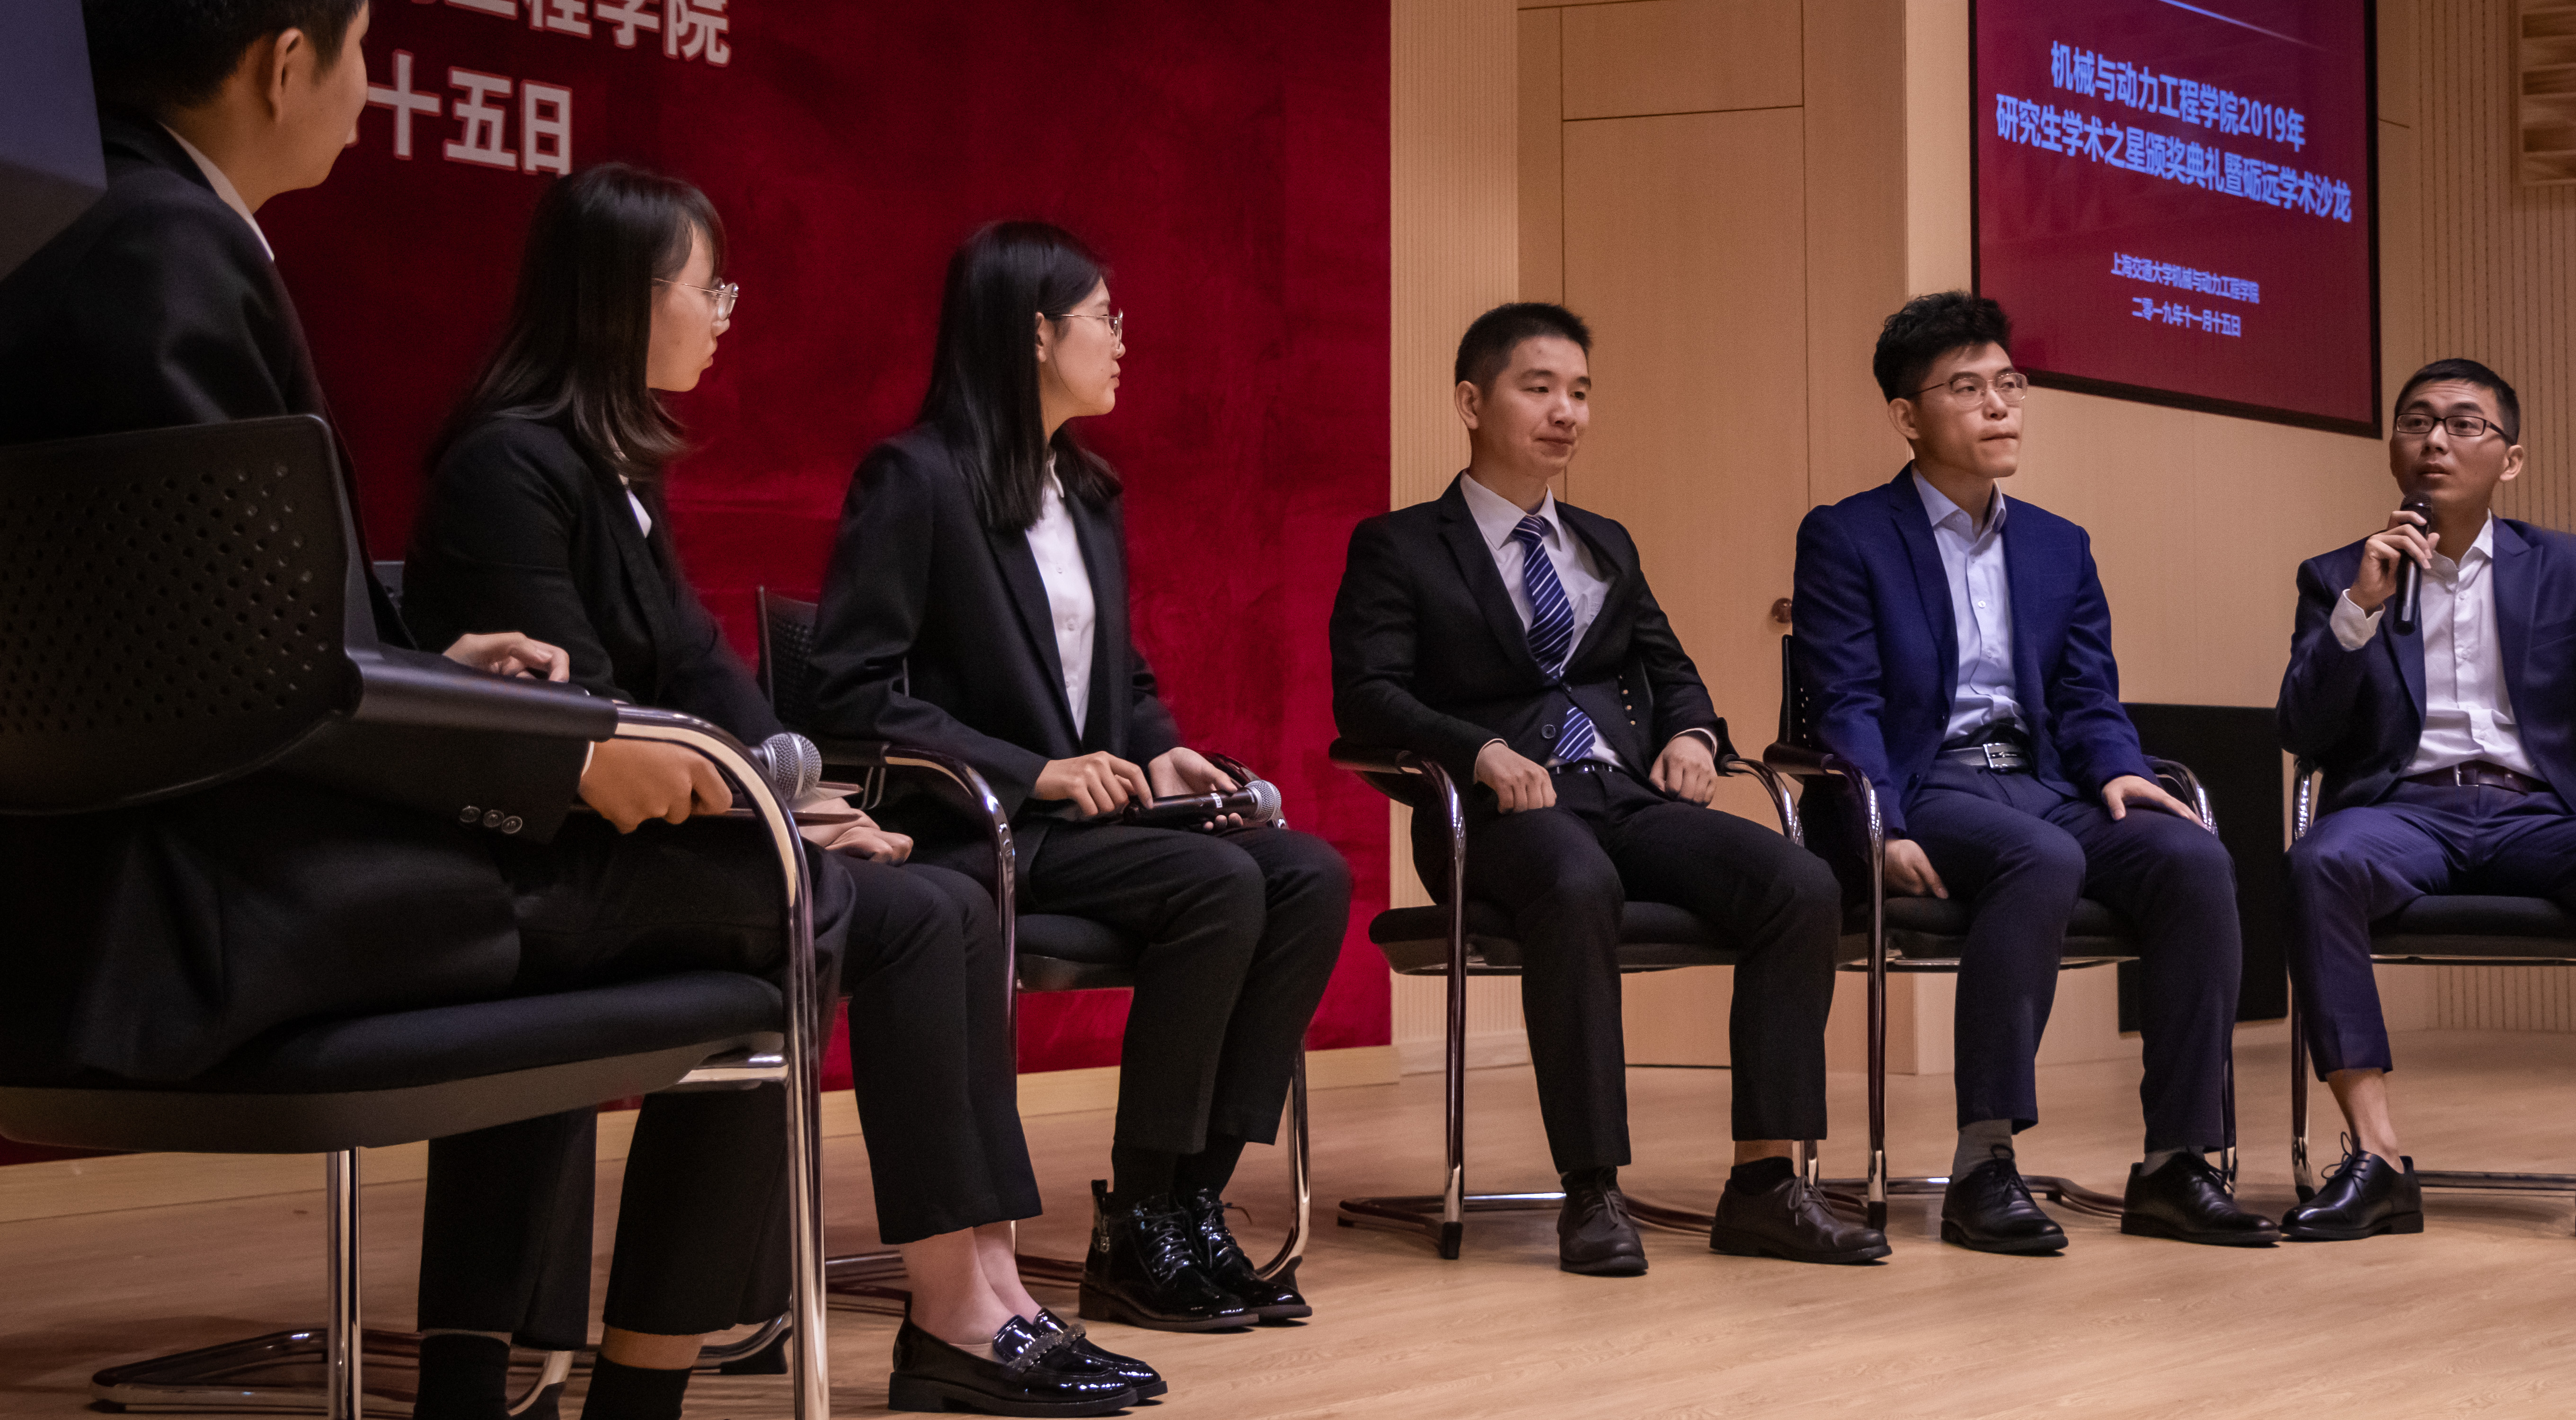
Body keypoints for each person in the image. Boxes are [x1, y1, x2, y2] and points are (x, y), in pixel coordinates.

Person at [0, 0, 897, 1420]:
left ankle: (487, 1381)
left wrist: (441, 678)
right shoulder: (169, 255)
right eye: (363, 46)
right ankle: (631, 1397)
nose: (366, 87)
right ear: (284, 63)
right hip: (193, 922)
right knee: (779, 888)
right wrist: (559, 759)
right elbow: (237, 692)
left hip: (121, 886)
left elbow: (190, 639)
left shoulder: (70, 233)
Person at [401, 165, 1157, 1413]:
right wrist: (772, 814)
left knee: (942, 899)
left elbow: (701, 667)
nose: (724, 312)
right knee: (845, 914)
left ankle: (982, 1284)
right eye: (709, 287)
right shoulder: (510, 465)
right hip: (534, 864)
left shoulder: (616, 467)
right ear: (624, 296)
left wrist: (804, 796)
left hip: (639, 849)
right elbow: (584, 720)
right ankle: (908, 1317)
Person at [803, 221, 1351, 1332]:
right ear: (1035, 333)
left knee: (1308, 875)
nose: (1121, 339)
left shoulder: (1088, 494)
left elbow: (1121, 675)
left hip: (1088, 827)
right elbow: (848, 693)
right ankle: (1138, 1216)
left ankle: (1192, 1200)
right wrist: (1036, 773)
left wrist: (1157, 747)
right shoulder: (915, 479)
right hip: (977, 829)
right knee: (1219, 885)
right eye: (1103, 318)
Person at [1331, 301, 1879, 1276]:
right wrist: (1477, 751)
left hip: (1620, 796)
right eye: (1538, 388)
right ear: (1472, 402)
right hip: (1494, 818)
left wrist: (1694, 734)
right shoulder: (1401, 545)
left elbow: (1670, 669)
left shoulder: (1605, 542)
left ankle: (1764, 1185)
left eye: (1580, 393)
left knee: (1799, 884)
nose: (1566, 412)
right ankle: (1591, 1189)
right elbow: (1368, 695)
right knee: (1577, 882)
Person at [1789, 292, 2270, 1253]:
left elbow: (2087, 692)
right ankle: (1984, 1163)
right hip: (1925, 786)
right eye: (1967, 388)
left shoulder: (2058, 543)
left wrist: (2120, 769)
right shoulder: (1848, 535)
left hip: (2044, 783)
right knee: (2039, 858)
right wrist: (1882, 824)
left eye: (2009, 383)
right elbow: (1842, 704)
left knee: (2193, 860)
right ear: (1906, 415)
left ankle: (2177, 1163)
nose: (1999, 405)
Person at [2276, 359, 2576, 1248]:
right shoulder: (2338, 572)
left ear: (2512, 458)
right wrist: (2359, 609)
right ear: (2393, 450)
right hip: (2402, 815)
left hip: (2539, 816)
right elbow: (2303, 726)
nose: (2436, 441)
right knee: (2317, 863)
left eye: (2464, 424)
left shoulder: (2566, 565)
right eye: (2416, 422)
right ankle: (2377, 1162)